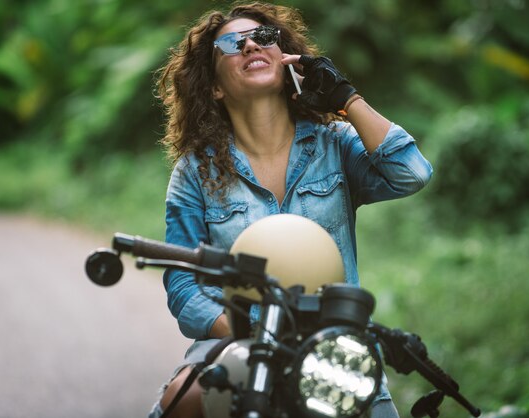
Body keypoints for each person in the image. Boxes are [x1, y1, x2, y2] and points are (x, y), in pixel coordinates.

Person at [150, 2, 433, 417]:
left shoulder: (335, 143)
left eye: (264, 38)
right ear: (215, 87)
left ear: (286, 61)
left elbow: (411, 173)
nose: (250, 45)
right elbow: (183, 284)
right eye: (233, 43)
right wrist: (250, 336)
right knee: (182, 398)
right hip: (241, 347)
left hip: (336, 346)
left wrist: (346, 97)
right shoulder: (196, 171)